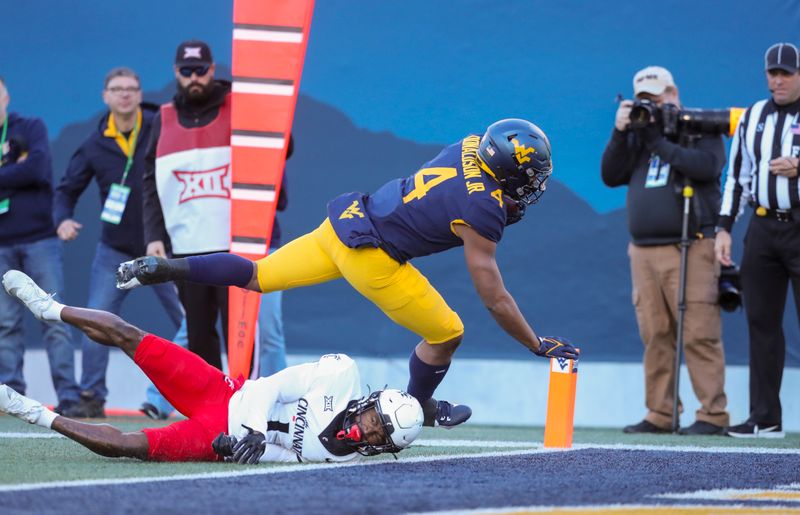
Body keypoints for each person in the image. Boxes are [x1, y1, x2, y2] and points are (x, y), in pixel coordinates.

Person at [118, 117, 580, 428]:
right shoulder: (484, 208)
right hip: (372, 257)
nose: (534, 183)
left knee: (257, 275)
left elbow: (448, 195)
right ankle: (418, 404)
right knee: (447, 333)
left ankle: (167, 267)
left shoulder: (467, 146)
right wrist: (535, 343)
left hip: (344, 225)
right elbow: (494, 296)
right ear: (506, 168)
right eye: (530, 174)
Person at [0, 269, 423, 463]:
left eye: (380, 435)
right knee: (134, 338)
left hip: (214, 434)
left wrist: (233, 450)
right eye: (374, 419)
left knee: (128, 448)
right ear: (369, 401)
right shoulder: (340, 375)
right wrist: (255, 430)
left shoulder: (338, 457)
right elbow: (267, 388)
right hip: (223, 391)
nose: (368, 430)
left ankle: (30, 410)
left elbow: (275, 454)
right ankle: (51, 308)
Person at [143, 40, 291, 373]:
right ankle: (209, 412)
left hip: (237, 246)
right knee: (197, 337)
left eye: (199, 70)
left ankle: (245, 408)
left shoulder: (239, 104)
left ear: (211, 70)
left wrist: (264, 106)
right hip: (187, 247)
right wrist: (154, 234)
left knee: (243, 338)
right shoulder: (163, 118)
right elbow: (150, 180)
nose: (193, 77)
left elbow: (280, 145)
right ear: (175, 73)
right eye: (186, 71)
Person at [601, 66, 730, 435]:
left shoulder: (699, 126)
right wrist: (621, 131)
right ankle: (661, 413)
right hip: (642, 251)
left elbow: (707, 167)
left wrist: (658, 140)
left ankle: (712, 415)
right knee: (655, 334)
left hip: (691, 246)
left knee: (698, 332)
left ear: (673, 93)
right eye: (643, 100)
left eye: (656, 99)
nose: (650, 106)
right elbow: (610, 175)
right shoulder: (639, 135)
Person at [53, 67, 186, 418]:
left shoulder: (162, 127)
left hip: (161, 250)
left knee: (191, 320)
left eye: (131, 88)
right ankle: (92, 396)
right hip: (115, 251)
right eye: (117, 89)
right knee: (97, 321)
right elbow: (66, 190)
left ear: (140, 95)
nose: (125, 94)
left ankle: (198, 394)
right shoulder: (95, 144)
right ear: (106, 96)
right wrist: (63, 219)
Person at [716, 42, 800, 439]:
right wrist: (723, 227)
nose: (778, 80)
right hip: (764, 228)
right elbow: (738, 175)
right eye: (773, 73)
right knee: (761, 322)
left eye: (786, 72)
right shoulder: (753, 117)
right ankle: (765, 417)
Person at [0, 77, 82, 417]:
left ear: (5, 94)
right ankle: (11, 396)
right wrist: (11, 167)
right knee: (5, 324)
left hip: (40, 239)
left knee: (54, 318)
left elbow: (38, 169)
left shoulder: (30, 126)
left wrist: (19, 168)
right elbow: (25, 172)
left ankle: (70, 397)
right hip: (1, 245)